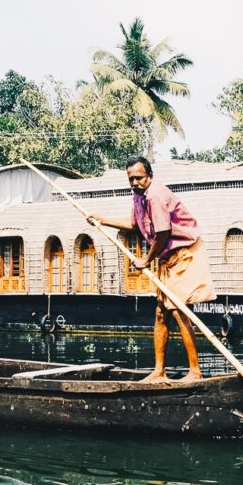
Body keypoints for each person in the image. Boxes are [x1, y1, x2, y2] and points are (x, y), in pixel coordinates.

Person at [88, 157, 215, 382]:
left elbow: (163, 233)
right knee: (160, 313)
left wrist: (146, 260)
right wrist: (103, 220)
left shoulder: (155, 194)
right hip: (167, 258)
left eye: (139, 177)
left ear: (150, 176)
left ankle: (195, 372)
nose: (135, 182)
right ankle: (159, 371)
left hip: (183, 254)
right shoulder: (138, 196)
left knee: (178, 310)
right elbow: (134, 226)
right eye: (131, 179)